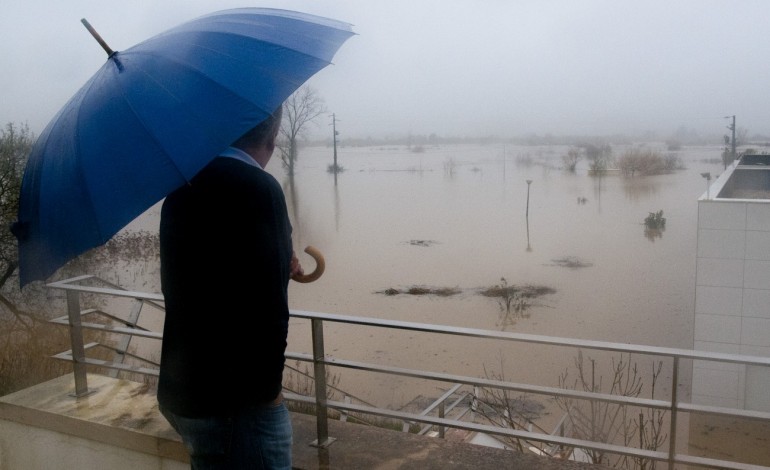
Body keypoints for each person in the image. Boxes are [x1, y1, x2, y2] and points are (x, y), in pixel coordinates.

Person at [157, 105, 302, 469]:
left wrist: (277, 262)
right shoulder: (259, 188)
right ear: (274, 135)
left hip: (184, 391)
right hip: (236, 405)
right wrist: (267, 398)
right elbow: (271, 313)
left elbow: (203, 279)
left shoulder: (182, 186)